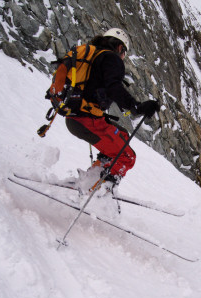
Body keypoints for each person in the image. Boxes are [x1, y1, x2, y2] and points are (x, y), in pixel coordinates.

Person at [64, 28, 160, 186]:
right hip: (87, 120)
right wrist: (137, 106)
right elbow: (113, 87)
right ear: (120, 47)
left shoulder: (94, 55)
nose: (123, 58)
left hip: (76, 116)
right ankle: (100, 192)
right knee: (127, 157)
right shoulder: (111, 58)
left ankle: (91, 179)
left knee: (122, 134)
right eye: (124, 54)